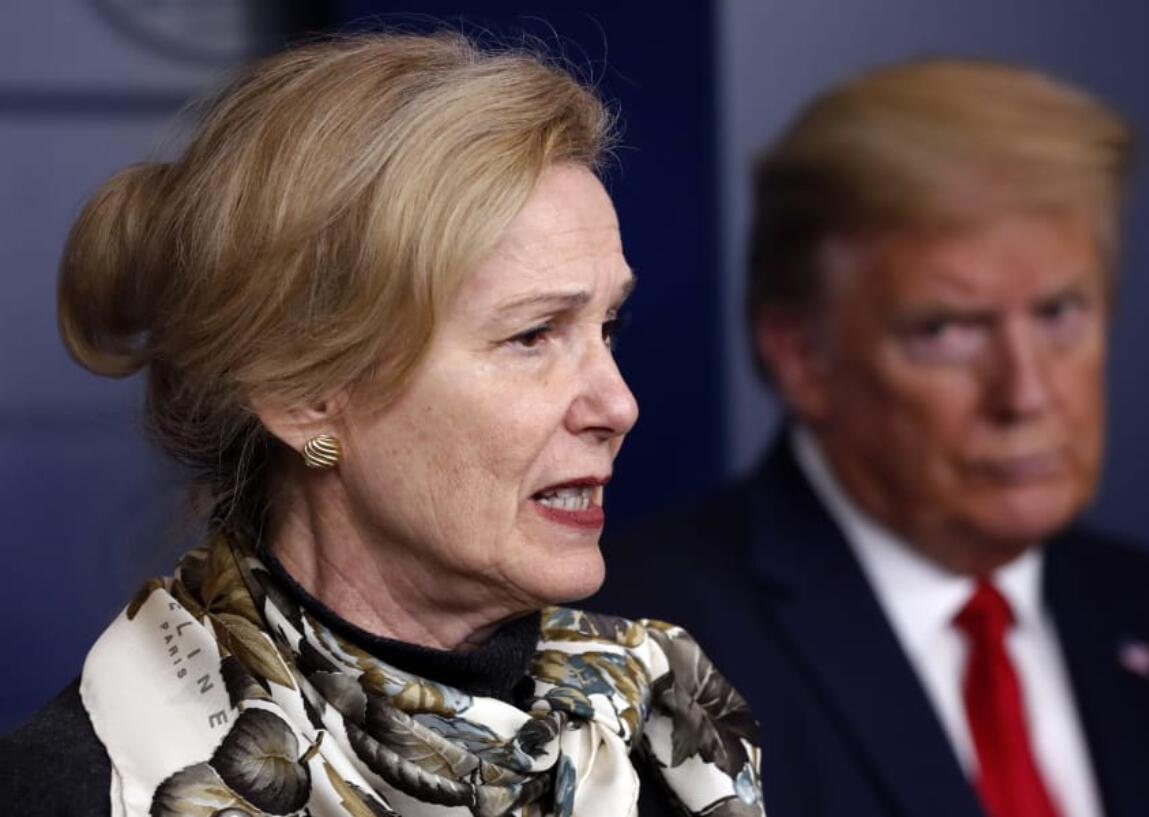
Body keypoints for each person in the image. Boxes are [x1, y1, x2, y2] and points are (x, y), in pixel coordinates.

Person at [0, 33, 765, 817]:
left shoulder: (671, 727)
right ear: (303, 396)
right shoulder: (75, 790)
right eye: (532, 336)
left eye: (608, 327)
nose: (618, 405)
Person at [591, 57, 1149, 817]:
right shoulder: (636, 662)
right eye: (948, 330)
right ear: (799, 354)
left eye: (1059, 314)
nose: (1026, 392)